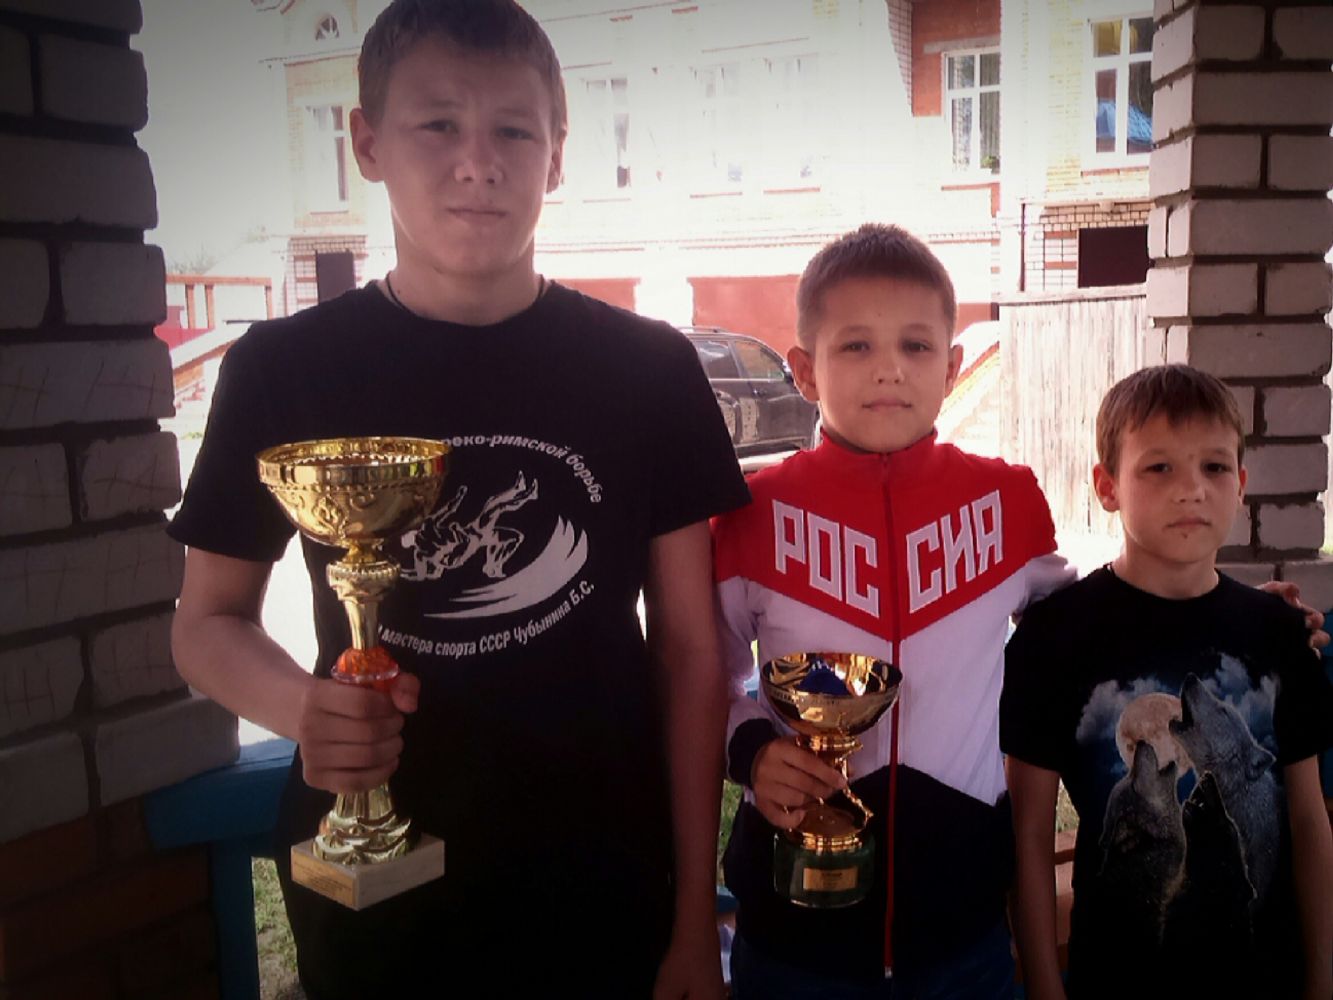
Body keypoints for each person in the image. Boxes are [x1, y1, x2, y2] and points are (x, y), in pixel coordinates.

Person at [168, 2, 748, 997]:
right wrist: (303, 708)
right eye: (437, 123)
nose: (477, 163)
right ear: (368, 143)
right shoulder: (282, 370)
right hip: (375, 895)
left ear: (557, 154)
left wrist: (695, 911)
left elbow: (691, 653)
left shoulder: (649, 370)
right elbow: (205, 623)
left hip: (601, 882)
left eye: (513, 130)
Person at [712, 223, 1078, 998]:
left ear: (950, 368)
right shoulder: (750, 513)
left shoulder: (1007, 501)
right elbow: (698, 680)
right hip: (791, 940)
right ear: (804, 372)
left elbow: (1088, 625)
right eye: (855, 346)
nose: (888, 368)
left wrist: (1227, 609)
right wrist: (751, 752)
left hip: (962, 932)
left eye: (915, 346)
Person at [1001, 364, 1333, 1000]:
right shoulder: (1054, 637)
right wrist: (1044, 987)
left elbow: (1309, 819)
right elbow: (1029, 834)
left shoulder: (1277, 632)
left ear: (1241, 485)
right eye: (1159, 467)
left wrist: (1321, 980)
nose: (1191, 490)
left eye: (1214, 467)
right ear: (1107, 486)